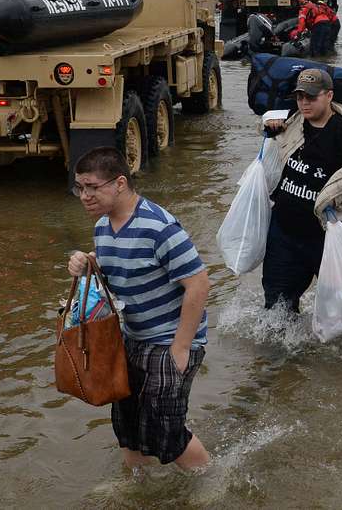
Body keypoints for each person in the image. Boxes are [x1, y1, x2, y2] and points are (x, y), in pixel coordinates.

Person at [66, 147, 211, 471]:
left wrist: (181, 348)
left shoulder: (159, 226)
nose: (85, 196)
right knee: (126, 422)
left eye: (93, 187)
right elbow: (118, 264)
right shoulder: (104, 226)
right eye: (80, 187)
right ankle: (137, 485)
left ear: (119, 183)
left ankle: (211, 485)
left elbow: (199, 284)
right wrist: (88, 262)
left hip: (168, 341)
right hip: (130, 338)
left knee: (166, 430)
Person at [261, 69, 342, 313]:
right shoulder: (291, 122)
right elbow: (265, 128)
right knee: (276, 308)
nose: (304, 103)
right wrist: (267, 124)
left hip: (333, 235)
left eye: (311, 97)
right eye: (299, 97)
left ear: (329, 96)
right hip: (285, 234)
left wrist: (338, 199)